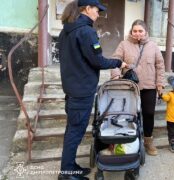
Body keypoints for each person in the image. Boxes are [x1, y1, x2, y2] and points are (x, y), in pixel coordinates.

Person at [58, 0, 127, 179]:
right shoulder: (86, 32)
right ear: (87, 9)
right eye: (97, 10)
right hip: (82, 91)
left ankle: (70, 166)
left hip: (73, 88)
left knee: (71, 129)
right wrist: (118, 62)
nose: (99, 14)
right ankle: (66, 174)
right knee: (75, 131)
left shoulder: (66, 31)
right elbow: (98, 61)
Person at [111, 19, 165, 156]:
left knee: (148, 114)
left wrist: (160, 84)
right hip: (129, 86)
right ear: (131, 31)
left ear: (145, 32)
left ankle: (148, 141)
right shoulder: (124, 44)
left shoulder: (153, 46)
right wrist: (116, 76)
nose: (137, 33)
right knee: (129, 114)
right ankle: (129, 140)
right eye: (135, 31)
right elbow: (115, 60)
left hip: (149, 86)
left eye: (140, 31)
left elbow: (160, 65)